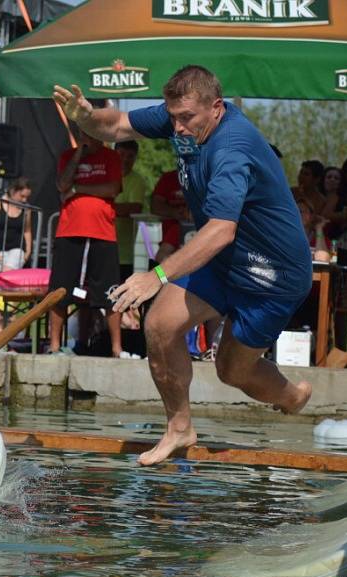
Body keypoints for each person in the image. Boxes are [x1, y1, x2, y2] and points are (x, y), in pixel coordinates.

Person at [53, 65, 312, 465]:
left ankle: (292, 396)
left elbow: (222, 229)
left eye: (187, 119)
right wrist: (86, 117)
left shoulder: (232, 149)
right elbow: (118, 125)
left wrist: (156, 275)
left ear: (217, 108)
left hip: (271, 275)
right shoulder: (182, 116)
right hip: (224, 261)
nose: (177, 128)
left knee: (232, 370)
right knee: (159, 324)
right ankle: (179, 427)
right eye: (172, 117)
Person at [48, 125, 123, 357]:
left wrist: (78, 188)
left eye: (91, 133)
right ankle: (54, 347)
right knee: (60, 290)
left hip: (103, 233)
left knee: (110, 293)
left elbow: (112, 188)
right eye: (84, 133)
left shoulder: (112, 157)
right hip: (69, 231)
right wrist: (79, 152)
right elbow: (62, 185)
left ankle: (116, 348)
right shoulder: (68, 157)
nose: (88, 137)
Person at [113, 140, 149, 280]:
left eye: (130, 156)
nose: (125, 160)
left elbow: (134, 208)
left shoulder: (137, 180)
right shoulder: (105, 175)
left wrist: (103, 206)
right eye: (121, 154)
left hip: (127, 254)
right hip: (103, 249)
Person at [0, 177, 34, 273]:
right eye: (22, 196)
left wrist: (28, 250)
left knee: (7, 274)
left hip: (16, 250)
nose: (24, 200)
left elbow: (27, 231)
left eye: (27, 197)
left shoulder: (26, 209)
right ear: (13, 191)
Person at [150, 170, 190, 263]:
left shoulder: (208, 229)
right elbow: (160, 256)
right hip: (176, 271)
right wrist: (163, 275)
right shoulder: (176, 230)